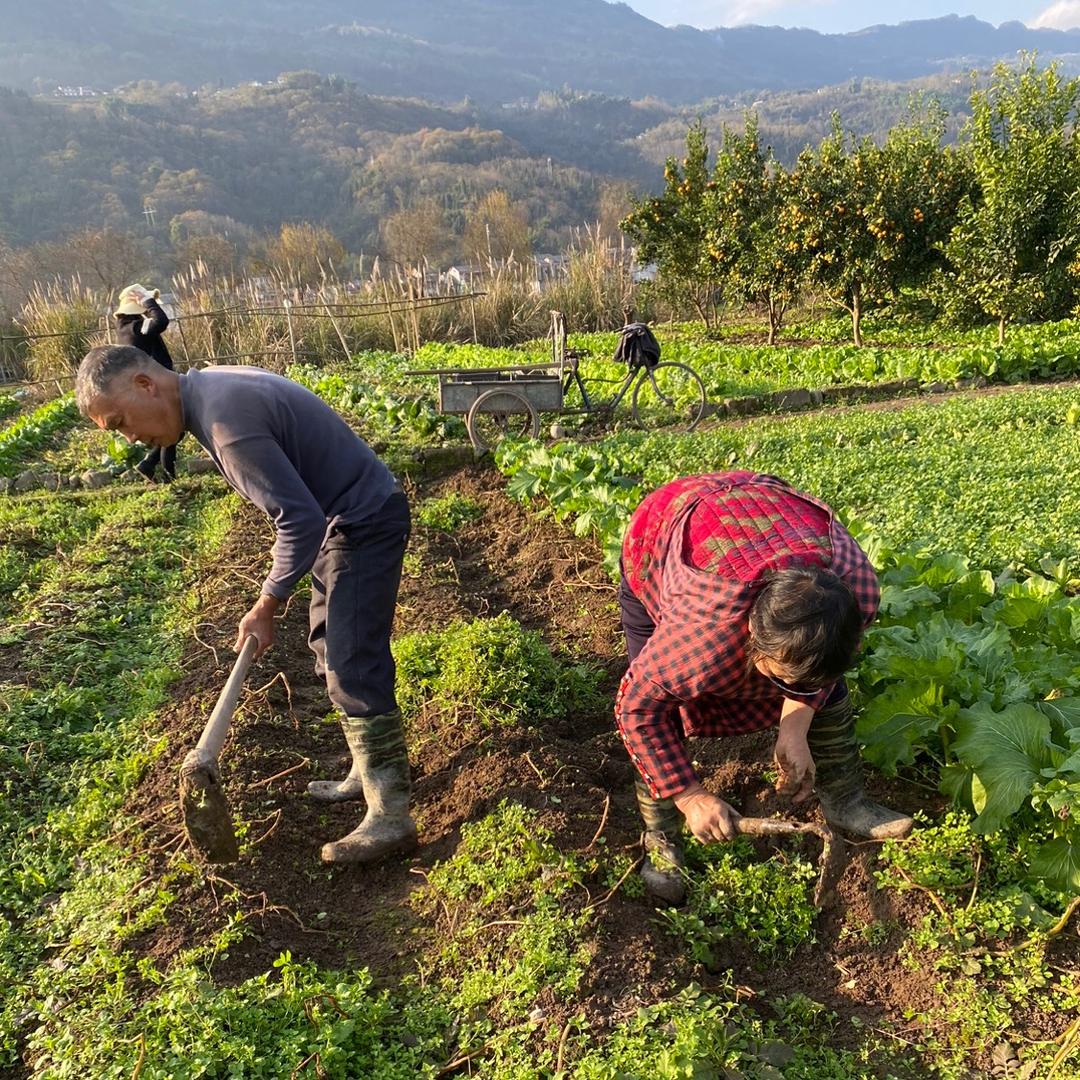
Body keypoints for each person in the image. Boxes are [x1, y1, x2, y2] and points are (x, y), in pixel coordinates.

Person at [74, 345, 416, 865]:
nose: (130, 438)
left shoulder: (224, 421)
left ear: (144, 384)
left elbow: (297, 520)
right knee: (328, 645)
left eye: (120, 422)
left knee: (352, 660)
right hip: (341, 520)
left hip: (361, 520)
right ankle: (364, 772)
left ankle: (391, 814)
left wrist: (267, 602)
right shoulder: (208, 390)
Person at [616, 471, 912, 904]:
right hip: (661, 531)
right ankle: (662, 841)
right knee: (664, 714)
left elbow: (819, 675)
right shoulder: (700, 634)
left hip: (763, 511)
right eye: (781, 676)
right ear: (752, 642)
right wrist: (691, 796)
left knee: (824, 687)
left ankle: (847, 801)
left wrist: (794, 729)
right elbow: (637, 710)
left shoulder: (856, 591)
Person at [113, 284, 178, 482]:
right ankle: (160, 471)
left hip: (149, 383)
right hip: (155, 384)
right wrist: (148, 302)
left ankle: (156, 468)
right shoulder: (135, 328)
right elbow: (161, 321)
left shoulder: (125, 328)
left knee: (175, 426)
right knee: (174, 426)